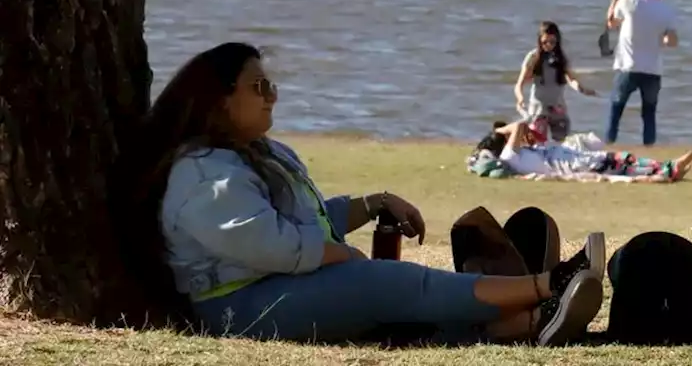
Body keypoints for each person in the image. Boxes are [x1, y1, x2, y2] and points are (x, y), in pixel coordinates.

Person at [119, 42, 606, 345]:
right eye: (258, 85)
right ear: (219, 100)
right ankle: (549, 287)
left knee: (393, 302)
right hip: (240, 306)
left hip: (271, 286)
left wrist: (373, 204)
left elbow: (304, 221)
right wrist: (336, 255)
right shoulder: (204, 173)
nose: (271, 94)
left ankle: (525, 323)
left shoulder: (258, 153)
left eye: (272, 83)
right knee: (386, 285)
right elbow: (268, 244)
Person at [604, 0, 678, 146]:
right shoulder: (667, 11)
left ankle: (608, 145)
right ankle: (649, 149)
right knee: (649, 114)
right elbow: (672, 41)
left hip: (627, 67)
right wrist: (662, 39)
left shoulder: (629, 1)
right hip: (652, 70)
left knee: (616, 109)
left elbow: (611, 22)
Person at [486, 119, 692, 181]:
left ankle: (668, 169)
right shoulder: (509, 156)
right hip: (574, 164)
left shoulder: (522, 152)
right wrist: (501, 130)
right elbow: (521, 124)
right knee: (620, 164)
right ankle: (669, 169)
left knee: (622, 161)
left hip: (576, 158)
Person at [514, 21, 596, 141]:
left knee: (562, 143)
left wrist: (581, 89)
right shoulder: (533, 57)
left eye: (552, 42)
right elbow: (519, 84)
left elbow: (571, 79)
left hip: (557, 107)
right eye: (544, 42)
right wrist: (520, 98)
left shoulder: (561, 58)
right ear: (539, 41)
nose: (548, 45)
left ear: (557, 41)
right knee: (537, 143)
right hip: (538, 109)